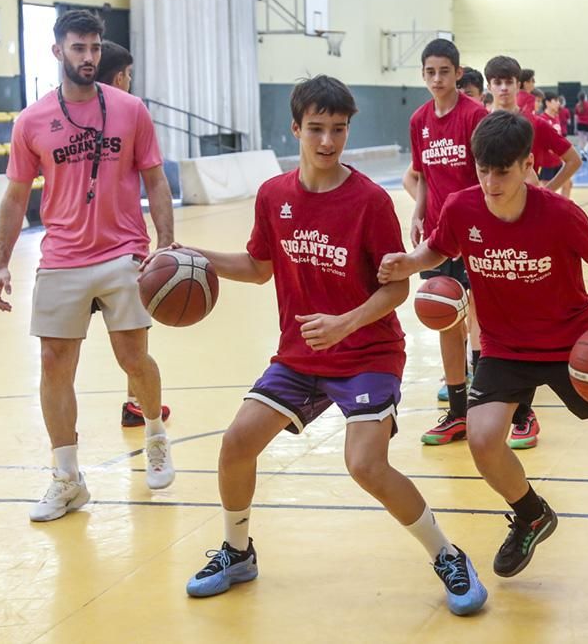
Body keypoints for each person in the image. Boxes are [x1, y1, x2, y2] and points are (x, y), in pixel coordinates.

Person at [178, 75, 487, 615]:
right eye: (316, 129)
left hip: (368, 353)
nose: (327, 141)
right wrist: (195, 257)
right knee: (235, 444)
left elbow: (396, 286)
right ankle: (237, 551)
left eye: (338, 130)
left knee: (365, 464)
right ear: (294, 127)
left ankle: (448, 555)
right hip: (301, 354)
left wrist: (346, 323)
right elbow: (257, 267)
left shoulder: (369, 201)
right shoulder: (274, 195)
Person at [377, 110, 588, 585]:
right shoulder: (460, 207)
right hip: (504, 346)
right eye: (483, 170)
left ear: (528, 164)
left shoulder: (559, 214)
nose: (492, 182)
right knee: (482, 439)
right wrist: (409, 264)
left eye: (504, 171)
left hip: (574, 344)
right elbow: (437, 248)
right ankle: (531, 514)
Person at [0, 10, 178, 521]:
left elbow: (156, 181)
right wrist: (1, 263)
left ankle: (157, 437)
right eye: (78, 47)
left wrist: (166, 243)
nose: (89, 57)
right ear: (58, 52)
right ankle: (67, 478)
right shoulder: (31, 121)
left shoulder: (130, 109)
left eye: (94, 47)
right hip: (63, 255)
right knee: (54, 364)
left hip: (123, 251)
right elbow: (13, 198)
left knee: (133, 358)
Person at [485, 54, 583, 447]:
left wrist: (548, 191)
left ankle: (525, 411)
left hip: (531, 231)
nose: (505, 88)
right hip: (488, 231)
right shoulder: (477, 124)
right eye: (498, 81)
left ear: (518, 85)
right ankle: (496, 402)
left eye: (510, 81)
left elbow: (572, 158)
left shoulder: (533, 125)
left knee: (529, 313)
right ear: (490, 84)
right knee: (489, 319)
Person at [407, 39, 488, 446]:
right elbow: (421, 175)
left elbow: (489, 176)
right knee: (443, 317)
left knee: (481, 318)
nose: (437, 78)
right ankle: (457, 411)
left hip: (475, 234)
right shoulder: (419, 119)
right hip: (438, 236)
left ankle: (489, 401)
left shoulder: (475, 116)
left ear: (459, 73)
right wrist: (418, 212)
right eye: (429, 72)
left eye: (444, 71)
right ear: (423, 75)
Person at [94, 41, 174, 429]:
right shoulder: (130, 114)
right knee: (135, 344)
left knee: (62, 356)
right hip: (122, 246)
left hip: (79, 249)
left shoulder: (121, 114)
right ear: (120, 76)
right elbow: (154, 180)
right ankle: (135, 402)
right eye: (129, 74)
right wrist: (164, 240)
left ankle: (135, 403)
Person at [539, 91, 573, 198]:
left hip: (557, 161)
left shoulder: (556, 117)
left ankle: (565, 208)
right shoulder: (542, 119)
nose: (558, 103)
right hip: (546, 162)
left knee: (568, 184)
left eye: (558, 101)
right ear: (548, 103)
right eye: (556, 101)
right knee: (546, 190)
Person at [575, 91, 588, 161]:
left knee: (581, 140)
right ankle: (585, 151)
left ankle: (583, 154)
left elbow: (576, 118)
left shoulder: (577, 105)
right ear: (585, 97)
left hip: (580, 124)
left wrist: (575, 127)